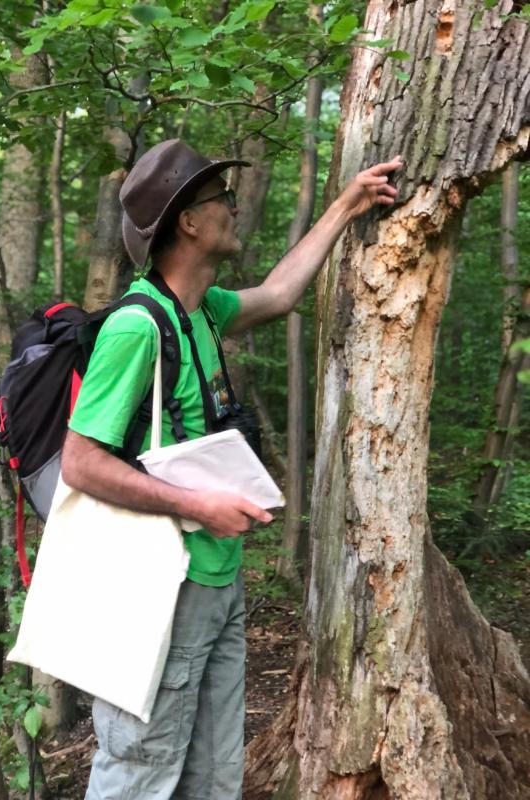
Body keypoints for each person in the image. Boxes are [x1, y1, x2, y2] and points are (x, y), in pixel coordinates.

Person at [61, 139, 401, 800]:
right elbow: (80, 462)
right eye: (222, 199)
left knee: (212, 777)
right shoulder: (136, 327)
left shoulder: (201, 313)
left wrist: (349, 201)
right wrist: (197, 506)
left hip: (213, 584)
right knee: (139, 774)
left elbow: (278, 295)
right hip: (157, 592)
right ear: (189, 221)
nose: (233, 208)